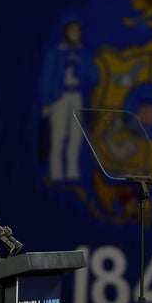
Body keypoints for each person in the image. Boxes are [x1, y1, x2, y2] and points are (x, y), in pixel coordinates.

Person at [39, 11, 99, 181]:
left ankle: (72, 171)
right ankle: (56, 171)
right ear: (65, 32)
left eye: (78, 31)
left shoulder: (84, 55)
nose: (75, 34)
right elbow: (46, 77)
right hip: (59, 97)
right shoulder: (55, 53)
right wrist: (46, 101)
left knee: (76, 135)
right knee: (58, 135)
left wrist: (83, 64)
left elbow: (95, 76)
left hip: (76, 96)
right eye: (72, 31)